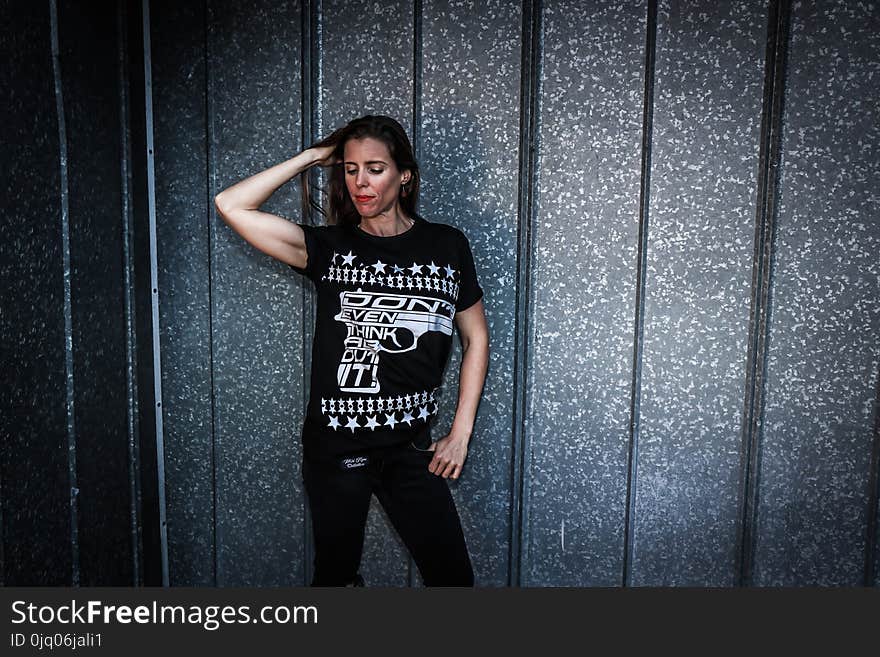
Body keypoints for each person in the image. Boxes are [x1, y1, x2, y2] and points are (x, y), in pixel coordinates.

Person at [213, 114, 489, 586]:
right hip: (338, 446)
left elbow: (475, 337)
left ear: (405, 176)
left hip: (410, 447)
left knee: (453, 580)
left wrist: (460, 432)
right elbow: (231, 204)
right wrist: (312, 157)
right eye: (350, 168)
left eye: (376, 168)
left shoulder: (446, 245)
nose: (361, 182)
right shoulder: (330, 247)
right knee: (336, 578)